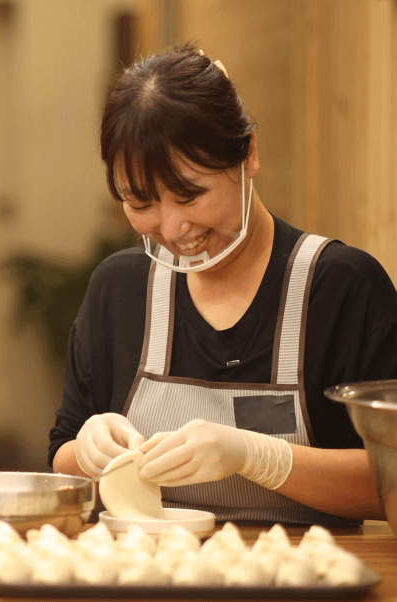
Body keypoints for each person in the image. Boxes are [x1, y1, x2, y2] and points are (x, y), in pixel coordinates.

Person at [50, 44, 397, 525]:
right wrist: (87, 450)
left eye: (190, 195)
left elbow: (389, 484)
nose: (172, 229)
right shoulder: (118, 289)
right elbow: (62, 459)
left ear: (248, 155)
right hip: (145, 566)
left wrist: (261, 458)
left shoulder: (341, 287)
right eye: (141, 203)